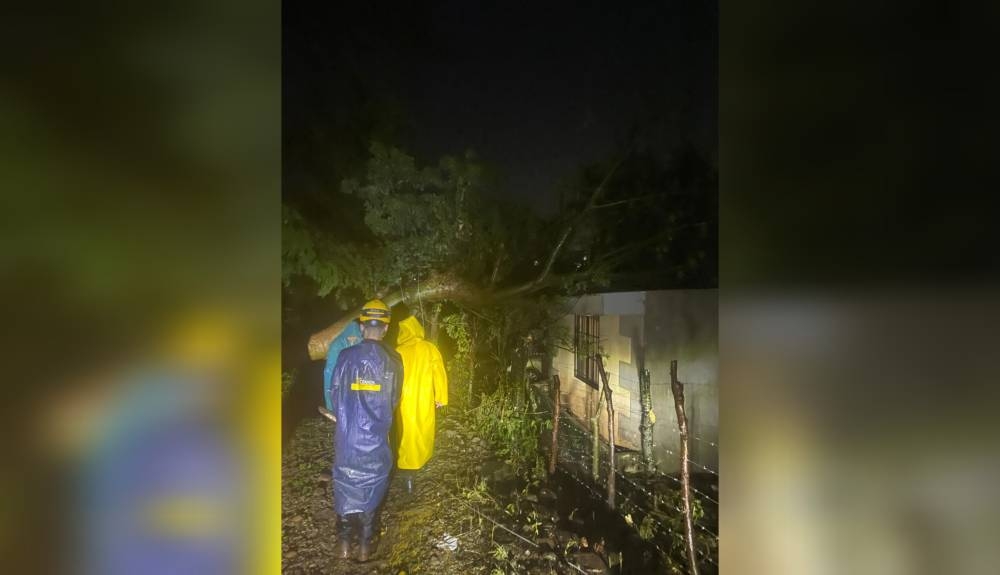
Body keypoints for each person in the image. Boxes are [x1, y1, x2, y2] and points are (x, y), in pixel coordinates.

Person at [328, 299, 402, 562]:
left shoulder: (345, 357)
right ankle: (364, 548)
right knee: (372, 489)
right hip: (376, 441)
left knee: (345, 486)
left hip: (348, 439)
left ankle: (345, 544)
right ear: (384, 329)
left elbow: (335, 396)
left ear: (361, 327)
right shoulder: (394, 361)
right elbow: (393, 401)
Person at [394, 315, 448, 495]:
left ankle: (407, 472)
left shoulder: (398, 351)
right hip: (424, 398)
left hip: (403, 401)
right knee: (422, 431)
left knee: (406, 434)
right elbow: (439, 373)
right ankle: (416, 468)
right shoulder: (429, 348)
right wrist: (441, 396)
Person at [323, 319, 363, 411]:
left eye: (355, 338)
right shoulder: (336, 346)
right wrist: (329, 399)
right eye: (350, 338)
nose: (352, 341)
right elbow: (329, 371)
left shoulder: (363, 344)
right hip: (341, 385)